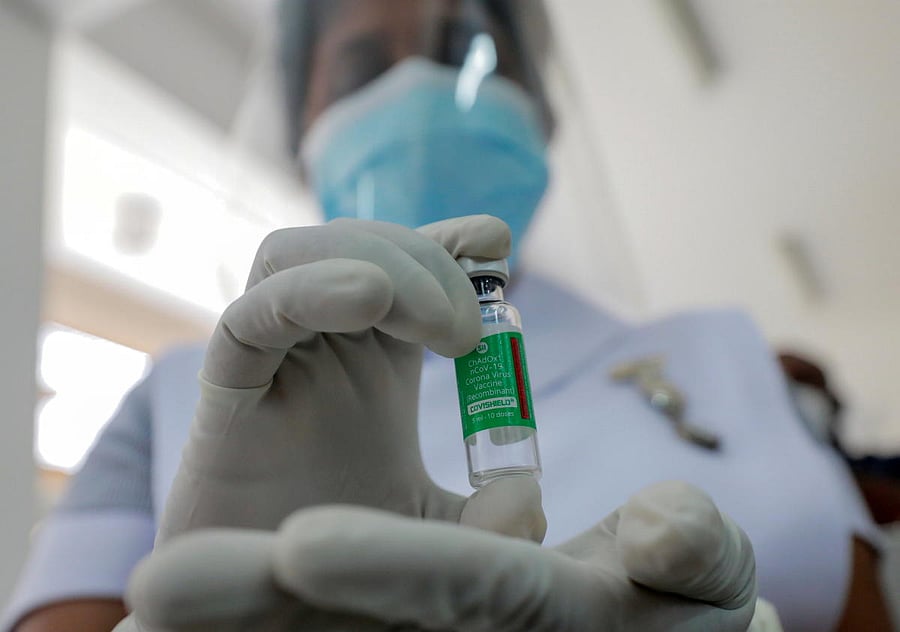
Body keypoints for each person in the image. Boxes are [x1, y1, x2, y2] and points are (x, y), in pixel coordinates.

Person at [2, 1, 889, 630]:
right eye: (362, 66)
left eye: (468, 48)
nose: (421, 89)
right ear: (302, 116)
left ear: (540, 109)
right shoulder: (180, 392)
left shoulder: (720, 349)